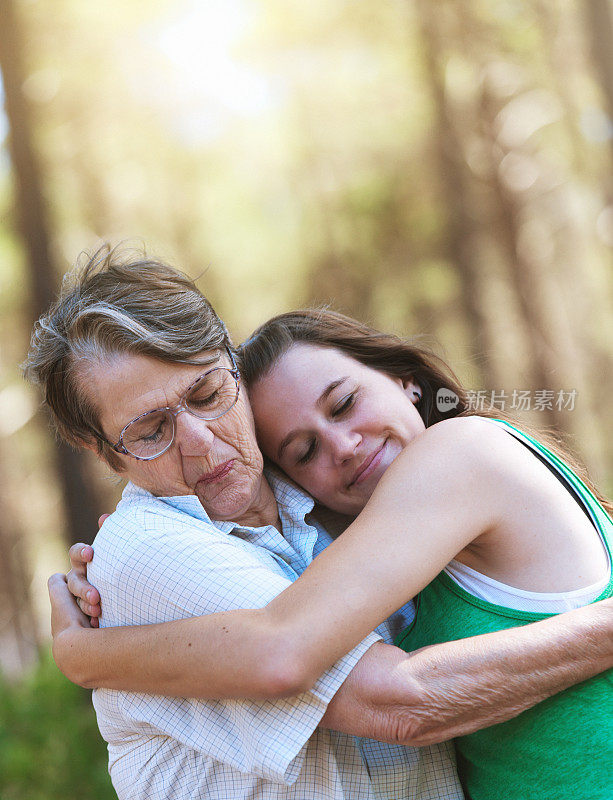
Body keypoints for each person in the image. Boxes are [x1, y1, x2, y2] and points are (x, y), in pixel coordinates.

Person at [34, 250, 613, 800]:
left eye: (208, 393)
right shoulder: (152, 545)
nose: (202, 443)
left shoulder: (374, 489)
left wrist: (83, 653)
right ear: (103, 451)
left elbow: (284, 642)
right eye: (149, 432)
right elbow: (390, 699)